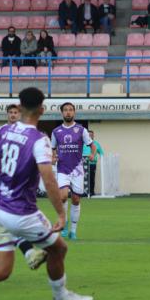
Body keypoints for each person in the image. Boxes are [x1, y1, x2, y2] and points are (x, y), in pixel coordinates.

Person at [0, 87, 94, 300]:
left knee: (3, 268)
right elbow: (49, 180)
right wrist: (61, 214)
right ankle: (61, 296)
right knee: (59, 249)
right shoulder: (39, 141)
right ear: (42, 110)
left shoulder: (2, 132)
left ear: (19, 108)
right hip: (21, 213)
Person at [51, 102, 95, 240]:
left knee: (76, 200)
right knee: (63, 196)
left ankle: (73, 231)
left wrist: (92, 154)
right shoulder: (56, 132)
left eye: (70, 110)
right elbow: (52, 149)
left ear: (74, 112)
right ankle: (64, 225)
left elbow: (91, 145)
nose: (68, 112)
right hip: (62, 169)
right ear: (62, 113)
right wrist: (53, 157)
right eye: (65, 110)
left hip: (77, 169)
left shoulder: (81, 130)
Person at [82, 130, 104, 197]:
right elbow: (79, 153)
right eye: (89, 135)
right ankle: (85, 192)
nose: (90, 136)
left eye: (91, 135)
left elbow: (101, 153)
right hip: (84, 163)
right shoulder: (83, 144)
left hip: (92, 164)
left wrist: (99, 158)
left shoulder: (96, 144)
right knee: (84, 178)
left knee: (91, 178)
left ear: (93, 136)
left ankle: (91, 192)